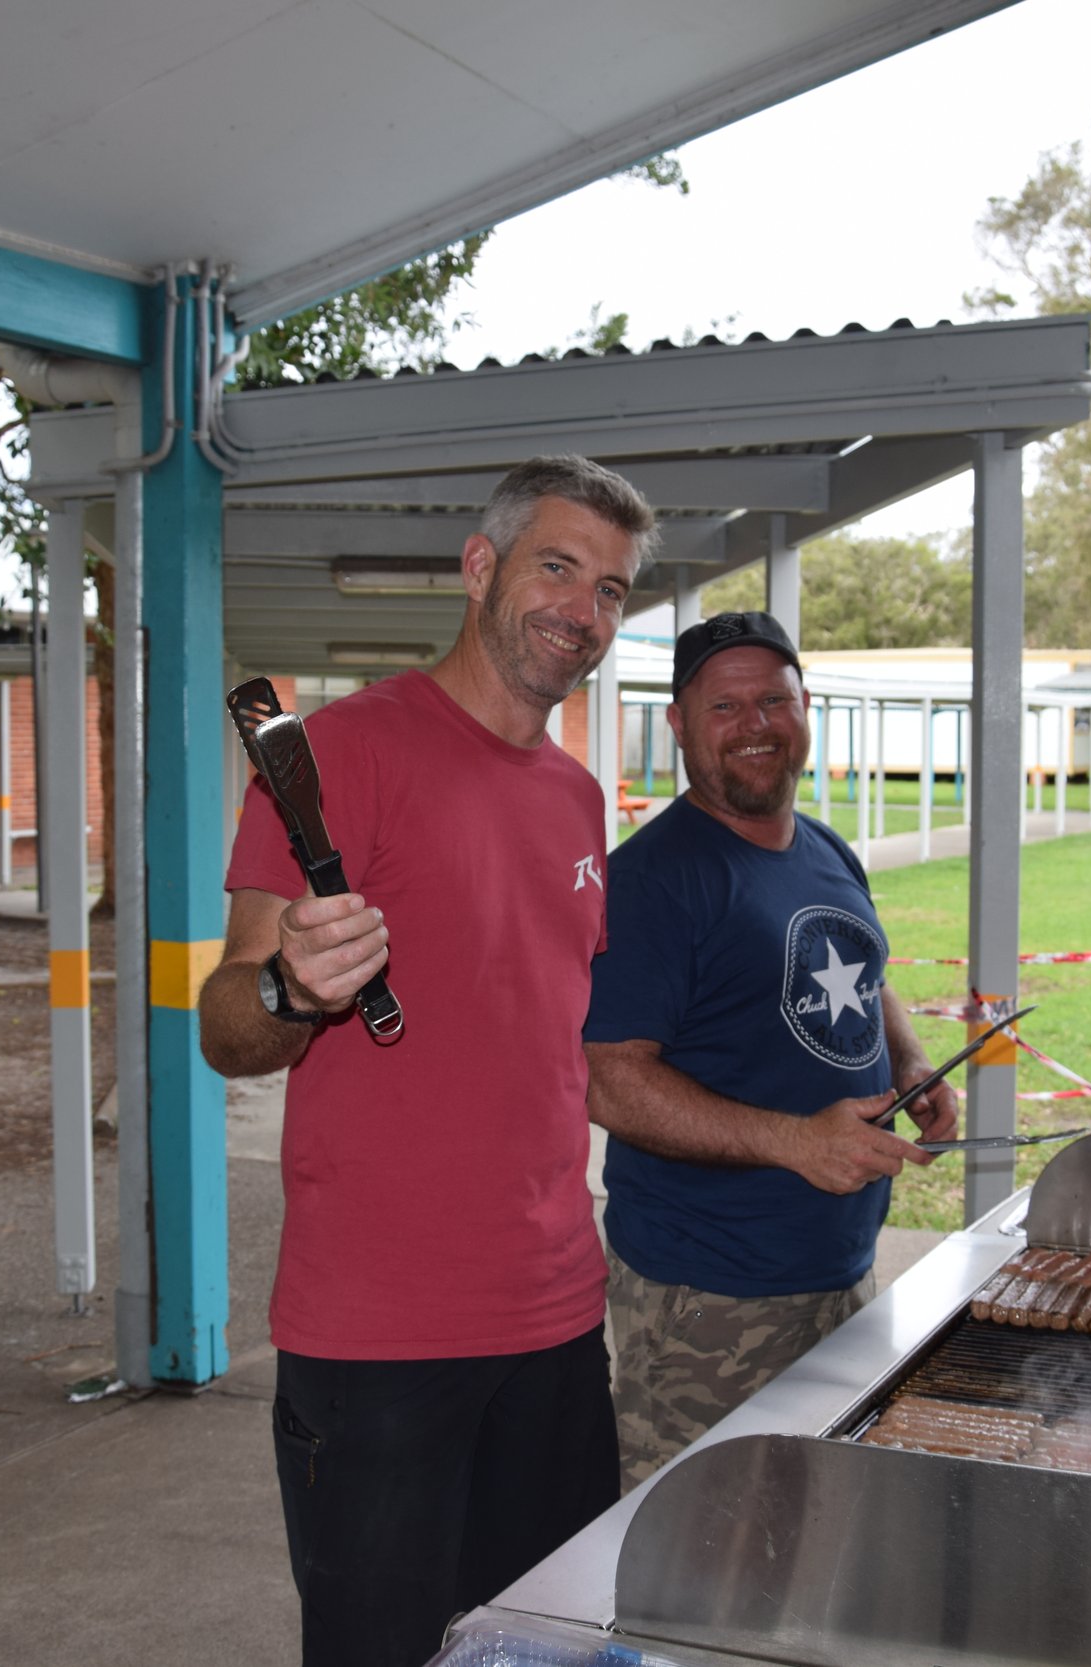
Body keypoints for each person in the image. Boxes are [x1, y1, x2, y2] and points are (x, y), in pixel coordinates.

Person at [197, 455, 655, 1667]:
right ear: (479, 565)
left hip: (558, 1318)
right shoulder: (340, 754)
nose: (582, 608)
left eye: (610, 589)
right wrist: (293, 985)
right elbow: (225, 1027)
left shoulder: (575, 798)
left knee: (545, 1653)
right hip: (380, 1341)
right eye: (557, 566)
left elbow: (548, 1035)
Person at [582, 611, 962, 1489]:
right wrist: (798, 1141)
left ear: (804, 708)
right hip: (710, 1295)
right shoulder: (653, 880)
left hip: (839, 1273)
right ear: (678, 724)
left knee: (812, 1536)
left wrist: (907, 1061)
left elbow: (866, 972)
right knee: (694, 1555)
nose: (755, 724)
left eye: (774, 700)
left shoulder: (825, 848)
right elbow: (610, 1081)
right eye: (725, 707)